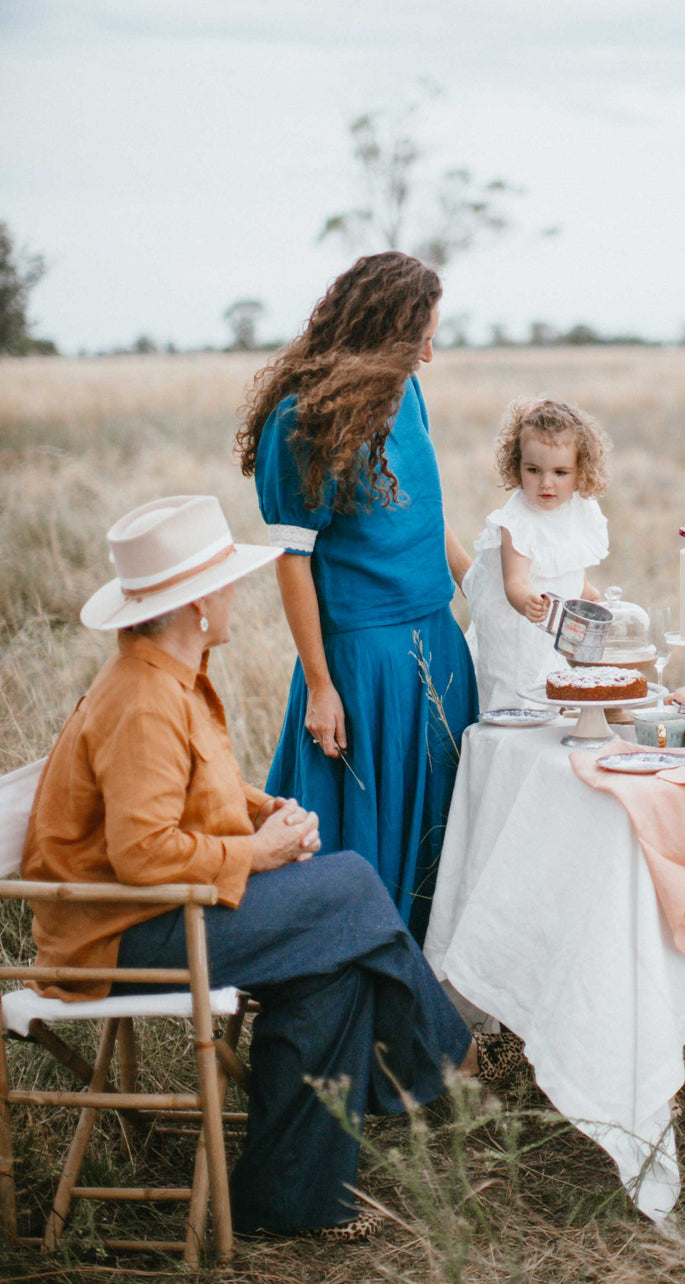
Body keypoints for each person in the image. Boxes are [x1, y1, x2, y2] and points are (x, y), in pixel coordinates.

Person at [21, 494, 506, 1241]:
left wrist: (262, 809)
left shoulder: (169, 676)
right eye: (224, 583)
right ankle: (450, 1058)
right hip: (120, 937)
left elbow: (191, 789)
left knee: (335, 969)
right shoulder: (144, 699)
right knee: (351, 887)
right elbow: (143, 854)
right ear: (195, 605)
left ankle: (287, 1203)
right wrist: (260, 851)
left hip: (162, 913)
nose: (234, 595)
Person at [236, 252, 478, 943]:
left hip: (438, 642)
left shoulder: (409, 393)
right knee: (363, 844)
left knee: (443, 837)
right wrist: (321, 685)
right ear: (382, 332)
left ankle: (430, 985)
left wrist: (480, 585)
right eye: (419, 339)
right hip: (362, 665)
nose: (428, 355)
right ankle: (353, 984)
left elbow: (427, 511)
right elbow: (292, 562)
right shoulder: (300, 420)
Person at [464, 396, 611, 713]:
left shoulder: (578, 510)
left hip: (550, 630)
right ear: (517, 466)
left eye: (560, 472)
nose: (546, 483)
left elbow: (568, 565)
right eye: (533, 470)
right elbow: (515, 582)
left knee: (552, 691)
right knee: (516, 693)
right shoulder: (517, 521)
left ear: (581, 470)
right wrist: (526, 600)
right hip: (514, 632)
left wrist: (588, 593)